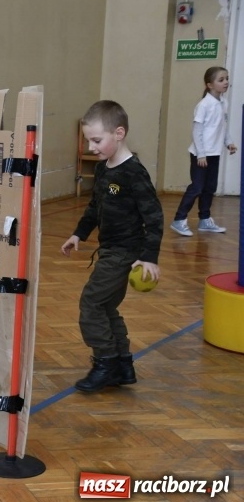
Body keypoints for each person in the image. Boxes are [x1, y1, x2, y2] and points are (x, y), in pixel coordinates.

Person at [61, 101, 164, 393]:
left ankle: (105, 363)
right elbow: (95, 206)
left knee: (91, 303)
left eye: (96, 140)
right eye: (88, 141)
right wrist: (79, 233)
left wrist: (149, 257)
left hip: (124, 253)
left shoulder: (134, 173)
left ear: (119, 133)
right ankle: (122, 365)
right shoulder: (104, 170)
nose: (91, 147)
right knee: (106, 306)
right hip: (109, 250)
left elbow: (154, 217)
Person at [171, 66, 238, 236]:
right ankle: (179, 220)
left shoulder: (223, 102)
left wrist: (229, 142)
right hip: (201, 155)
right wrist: (201, 154)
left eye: (227, 78)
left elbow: (221, 127)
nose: (226, 82)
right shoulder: (204, 105)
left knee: (210, 187)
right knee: (197, 187)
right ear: (209, 84)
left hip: (214, 154)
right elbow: (197, 131)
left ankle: (205, 220)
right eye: (221, 80)